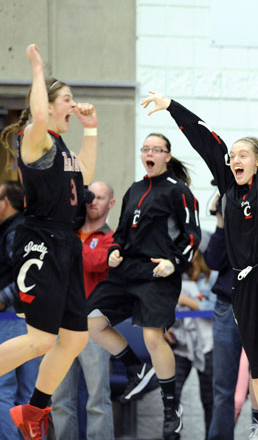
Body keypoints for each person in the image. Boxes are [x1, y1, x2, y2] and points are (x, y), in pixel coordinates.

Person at [142, 83, 258, 440]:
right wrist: (171, 106)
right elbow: (204, 139)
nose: (236, 159)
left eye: (243, 155)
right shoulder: (228, 186)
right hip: (244, 284)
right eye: (233, 156)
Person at [0, 44, 97, 440]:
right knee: (40, 340)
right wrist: (37, 69)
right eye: (68, 99)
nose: (74, 104)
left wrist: (91, 129)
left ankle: (34, 409)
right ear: (51, 105)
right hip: (40, 241)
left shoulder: (62, 147)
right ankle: (33, 408)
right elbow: (38, 114)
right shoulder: (35, 139)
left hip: (66, 244)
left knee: (75, 337)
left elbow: (85, 174)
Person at [87, 134, 201, 440]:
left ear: (167, 156)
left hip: (159, 274)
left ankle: (171, 407)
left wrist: (174, 262)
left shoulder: (178, 191)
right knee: (92, 322)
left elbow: (192, 236)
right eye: (146, 149)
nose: (150, 153)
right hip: (127, 272)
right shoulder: (135, 189)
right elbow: (121, 233)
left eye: (156, 149)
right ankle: (136, 368)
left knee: (152, 337)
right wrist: (115, 250)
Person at [52, 181, 116, 440]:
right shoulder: (71, 233)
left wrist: (64, 239)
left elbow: (94, 262)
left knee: (97, 400)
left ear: (111, 203)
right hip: (61, 323)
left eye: (100, 198)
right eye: (90, 197)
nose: (93, 202)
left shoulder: (112, 239)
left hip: (93, 325)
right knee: (59, 399)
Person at [0, 180, 40, 440]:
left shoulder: (15, 232)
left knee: (3, 391)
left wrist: (1, 299)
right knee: (30, 394)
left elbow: (28, 276)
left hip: (11, 318)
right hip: (32, 321)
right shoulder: (23, 228)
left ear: (5, 203)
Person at [203, 196, 243, 440]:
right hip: (227, 305)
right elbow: (213, 261)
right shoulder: (228, 222)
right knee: (222, 387)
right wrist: (221, 220)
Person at [169, 248, 217, 440]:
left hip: (207, 346)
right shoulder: (173, 275)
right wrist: (164, 329)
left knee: (210, 400)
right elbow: (160, 308)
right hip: (180, 345)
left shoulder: (211, 277)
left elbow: (215, 307)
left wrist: (186, 300)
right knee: (171, 398)